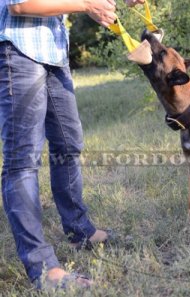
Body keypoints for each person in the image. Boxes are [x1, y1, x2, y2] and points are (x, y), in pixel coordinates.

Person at [0, 0, 144, 288]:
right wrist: (87, 5)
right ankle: (43, 270)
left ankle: (80, 230)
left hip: (53, 54)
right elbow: (20, 5)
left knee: (69, 144)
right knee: (23, 161)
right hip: (19, 51)